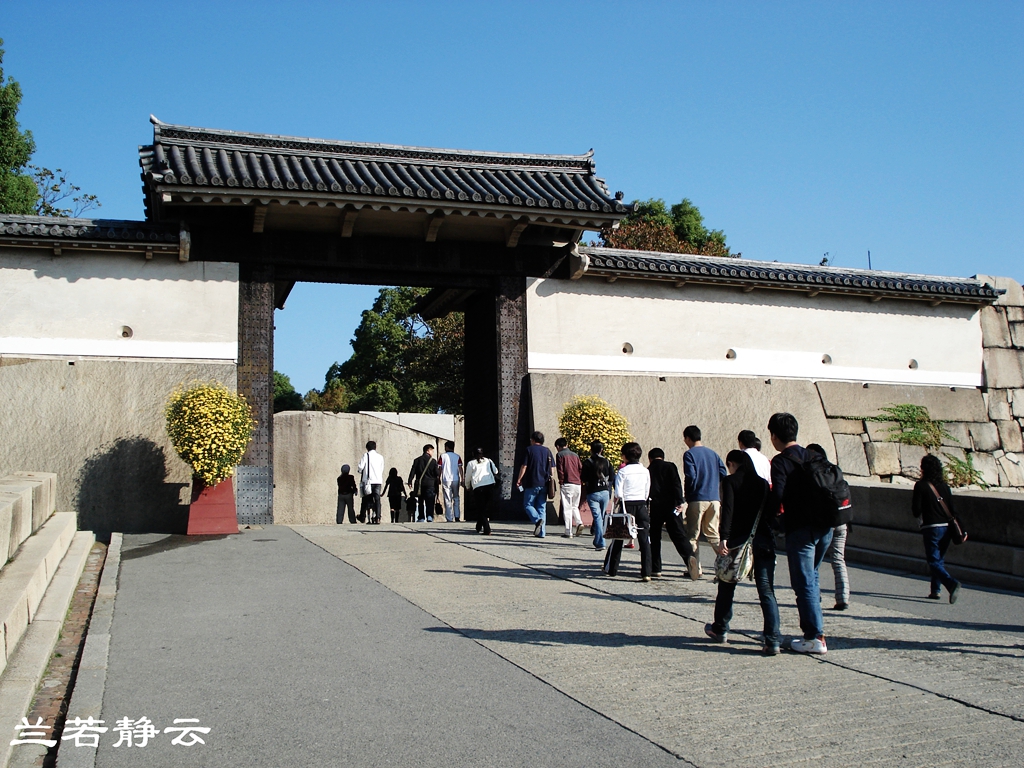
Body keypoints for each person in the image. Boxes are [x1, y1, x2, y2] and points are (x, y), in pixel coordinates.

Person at [768, 412, 833, 655]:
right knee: (812, 577)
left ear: (774, 436)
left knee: (803, 582)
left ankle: (814, 637)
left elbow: (778, 495)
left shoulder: (781, 461)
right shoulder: (813, 455)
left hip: (801, 527)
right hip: (825, 526)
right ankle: (817, 631)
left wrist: (773, 518)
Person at [704, 450, 781, 655]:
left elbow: (727, 511)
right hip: (762, 540)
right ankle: (772, 639)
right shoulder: (763, 483)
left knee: (727, 584)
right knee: (766, 590)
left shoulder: (730, 482)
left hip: (738, 541)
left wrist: (724, 538)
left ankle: (720, 628)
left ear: (731, 464)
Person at [912, 454, 962, 604]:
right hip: (946, 528)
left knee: (933, 561)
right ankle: (935, 590)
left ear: (923, 469)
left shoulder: (920, 486)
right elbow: (952, 509)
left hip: (931, 527)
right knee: (939, 559)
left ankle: (951, 583)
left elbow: (916, 509)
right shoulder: (945, 486)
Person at [807, 443, 850, 611]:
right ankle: (843, 597)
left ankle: (814, 596)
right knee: (839, 559)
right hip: (841, 519)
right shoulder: (834, 470)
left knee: (813, 563)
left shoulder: (814, 473)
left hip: (824, 523)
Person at [682, 425, 727, 578]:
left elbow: (691, 476)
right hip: (714, 498)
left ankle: (696, 569)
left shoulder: (689, 454)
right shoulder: (713, 454)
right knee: (713, 533)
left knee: (693, 535)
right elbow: (723, 472)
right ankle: (727, 561)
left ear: (688, 438)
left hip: (697, 498)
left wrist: (688, 493)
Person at [647, 448, 699, 579]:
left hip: (655, 505)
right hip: (672, 505)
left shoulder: (648, 470)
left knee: (655, 536)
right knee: (679, 535)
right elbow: (677, 484)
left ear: (650, 458)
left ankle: (656, 567)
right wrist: (680, 501)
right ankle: (690, 560)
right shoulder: (670, 466)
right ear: (662, 457)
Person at [605, 442, 652, 581]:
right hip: (642, 505)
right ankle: (646, 572)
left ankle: (612, 569)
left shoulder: (623, 471)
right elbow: (646, 491)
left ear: (625, 456)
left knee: (619, 536)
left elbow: (618, 492)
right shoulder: (645, 471)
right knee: (644, 539)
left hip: (627, 506)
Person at [516, 431, 555, 538]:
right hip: (544, 482)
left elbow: (524, 466)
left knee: (528, 504)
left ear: (533, 440)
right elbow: (552, 468)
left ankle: (537, 520)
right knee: (541, 507)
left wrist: (519, 479)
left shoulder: (529, 450)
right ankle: (542, 533)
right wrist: (551, 479)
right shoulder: (547, 451)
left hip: (532, 482)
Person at [581, 441, 612, 551]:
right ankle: (599, 540)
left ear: (591, 449)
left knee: (597, 517)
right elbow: (612, 477)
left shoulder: (588, 462)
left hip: (593, 492)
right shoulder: (606, 462)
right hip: (605, 492)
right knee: (602, 516)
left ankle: (600, 542)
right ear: (601, 450)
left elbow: (583, 478)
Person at [554, 437, 584, 538]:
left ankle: (568, 531)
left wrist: (561, 482)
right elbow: (580, 468)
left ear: (558, 447)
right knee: (575, 506)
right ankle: (579, 522)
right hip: (577, 484)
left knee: (567, 508)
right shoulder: (575, 455)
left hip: (567, 483)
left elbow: (560, 470)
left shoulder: (560, 455)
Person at [466, 447, 499, 535]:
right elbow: (496, 471)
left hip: (478, 487)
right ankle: (479, 525)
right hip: (490, 485)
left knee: (481, 508)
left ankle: (487, 529)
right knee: (485, 507)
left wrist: (467, 486)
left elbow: (468, 476)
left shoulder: (471, 463)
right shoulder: (488, 461)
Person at [409, 444, 439, 523]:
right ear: (428, 451)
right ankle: (429, 516)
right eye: (432, 451)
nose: (432, 452)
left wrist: (410, 481)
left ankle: (421, 517)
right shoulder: (433, 461)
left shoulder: (417, 460)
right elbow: (437, 473)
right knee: (430, 501)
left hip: (420, 484)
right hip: (430, 484)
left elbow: (413, 471)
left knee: (420, 501)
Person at [357, 441, 384, 524]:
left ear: (367, 448)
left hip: (368, 481)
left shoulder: (366, 455)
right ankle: (378, 517)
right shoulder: (380, 457)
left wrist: (360, 471)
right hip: (378, 480)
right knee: (377, 499)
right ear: (375, 447)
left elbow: (360, 467)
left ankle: (363, 516)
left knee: (365, 500)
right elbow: (381, 469)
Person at [438, 440, 464, 522]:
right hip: (455, 479)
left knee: (447, 498)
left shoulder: (442, 456)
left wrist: (438, 477)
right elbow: (460, 468)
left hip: (446, 479)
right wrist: (462, 478)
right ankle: (457, 516)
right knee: (456, 498)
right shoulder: (457, 456)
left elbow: (440, 468)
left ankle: (449, 517)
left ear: (446, 447)